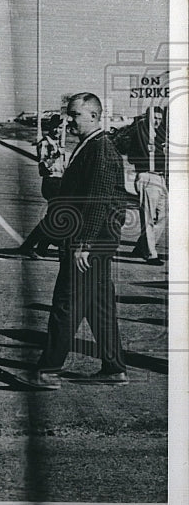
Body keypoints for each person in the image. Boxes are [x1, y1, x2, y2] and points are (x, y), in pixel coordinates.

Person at [28, 92, 128, 389]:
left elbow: (97, 201)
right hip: (95, 241)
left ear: (95, 116)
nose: (69, 120)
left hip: (89, 243)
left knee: (66, 305)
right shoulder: (90, 146)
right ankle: (114, 368)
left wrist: (84, 244)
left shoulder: (100, 149)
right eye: (69, 114)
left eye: (75, 115)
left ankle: (48, 370)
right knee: (99, 307)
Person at [123, 108, 168, 265]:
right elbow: (130, 156)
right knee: (148, 217)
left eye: (159, 118)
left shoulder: (161, 135)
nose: (156, 121)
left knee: (163, 215)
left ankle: (142, 245)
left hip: (160, 177)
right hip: (147, 176)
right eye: (154, 118)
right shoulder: (141, 135)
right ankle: (150, 253)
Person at [19, 114, 67, 259]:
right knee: (52, 218)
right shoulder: (45, 143)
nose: (58, 131)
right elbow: (43, 168)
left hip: (59, 181)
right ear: (50, 127)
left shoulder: (58, 143)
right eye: (55, 127)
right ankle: (28, 246)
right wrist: (57, 155)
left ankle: (42, 247)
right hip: (51, 182)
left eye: (60, 128)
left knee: (55, 217)